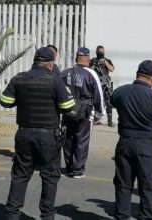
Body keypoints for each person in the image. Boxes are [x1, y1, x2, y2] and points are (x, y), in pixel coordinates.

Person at [0, 47, 76, 220]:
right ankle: (47, 216)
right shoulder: (55, 81)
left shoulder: (19, 78)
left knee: (20, 175)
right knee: (49, 177)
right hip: (48, 136)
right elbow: (67, 107)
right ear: (50, 65)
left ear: (34, 61)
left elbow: (5, 101)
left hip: (24, 134)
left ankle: (12, 214)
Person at [110, 60, 152, 220]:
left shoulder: (120, 92)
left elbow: (111, 104)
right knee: (148, 186)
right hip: (147, 146)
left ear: (137, 74)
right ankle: (145, 217)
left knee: (123, 185)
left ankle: (121, 216)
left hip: (124, 143)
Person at [60, 47, 104, 179]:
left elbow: (56, 92)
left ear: (76, 58)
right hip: (85, 112)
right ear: (88, 58)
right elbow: (99, 95)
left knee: (68, 139)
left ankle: (68, 167)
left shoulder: (65, 73)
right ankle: (78, 169)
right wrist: (99, 114)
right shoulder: (91, 73)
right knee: (82, 140)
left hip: (67, 111)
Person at [90, 45, 115, 127]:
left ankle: (110, 122)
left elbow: (111, 69)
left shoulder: (107, 60)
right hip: (96, 83)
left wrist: (105, 62)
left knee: (108, 102)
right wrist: (95, 65)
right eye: (99, 52)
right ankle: (95, 119)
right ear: (96, 52)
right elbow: (88, 70)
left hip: (105, 84)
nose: (101, 53)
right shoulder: (93, 60)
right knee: (94, 101)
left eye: (102, 52)